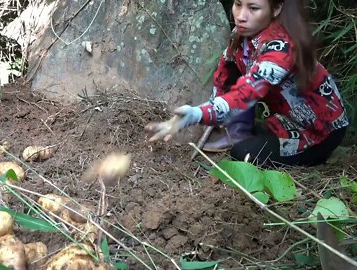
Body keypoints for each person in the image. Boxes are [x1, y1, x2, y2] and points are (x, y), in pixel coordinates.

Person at [145, 0, 349, 167]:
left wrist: (198, 114)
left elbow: (248, 92)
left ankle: (317, 155)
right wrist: (213, 108)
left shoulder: (281, 48)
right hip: (286, 118)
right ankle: (239, 129)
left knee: (242, 153)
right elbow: (225, 69)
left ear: (276, 8)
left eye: (253, 8)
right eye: (237, 4)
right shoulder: (244, 34)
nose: (241, 16)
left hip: (319, 129)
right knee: (248, 138)